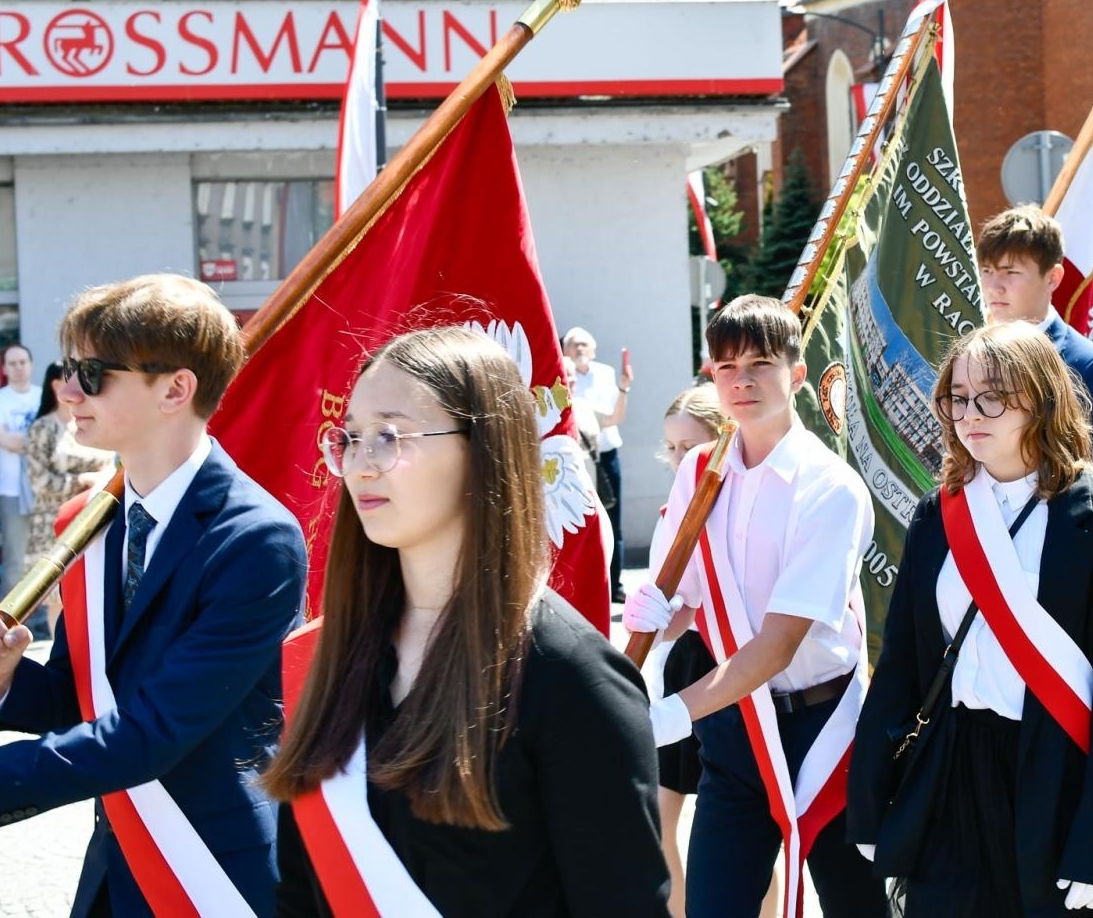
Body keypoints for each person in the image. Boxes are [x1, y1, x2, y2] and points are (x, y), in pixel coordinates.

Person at [266, 327, 666, 916]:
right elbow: (302, 892)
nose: (359, 465)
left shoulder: (573, 677)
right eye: (350, 438)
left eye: (389, 436)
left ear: (483, 450)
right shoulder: (333, 655)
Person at [0, 273, 307, 916]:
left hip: (210, 870)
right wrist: (4, 678)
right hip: (117, 864)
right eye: (69, 369)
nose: (69, 390)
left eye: (93, 373)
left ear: (175, 389)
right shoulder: (95, 523)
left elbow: (155, 729)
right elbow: (79, 697)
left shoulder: (256, 539)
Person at [848, 321, 1093, 916]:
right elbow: (901, 665)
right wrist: (871, 801)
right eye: (958, 397)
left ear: (1042, 400)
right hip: (950, 766)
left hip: (1057, 771)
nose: (970, 414)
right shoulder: (937, 514)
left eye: (992, 397)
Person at [624, 295, 885, 918]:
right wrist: (655, 613)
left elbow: (778, 644)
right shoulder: (699, 473)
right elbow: (685, 601)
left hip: (823, 730)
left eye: (760, 364)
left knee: (855, 906)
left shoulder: (831, 488)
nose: (741, 381)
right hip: (735, 725)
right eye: (726, 366)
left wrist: (672, 713)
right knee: (715, 905)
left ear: (797, 373)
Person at [649, 383, 782, 918]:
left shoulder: (755, 505)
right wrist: (651, 615)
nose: (680, 457)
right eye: (671, 447)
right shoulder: (674, 508)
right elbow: (673, 609)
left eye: (690, 445)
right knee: (661, 817)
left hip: (731, 667)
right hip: (684, 664)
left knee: (744, 825)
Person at [976, 206, 1093, 467]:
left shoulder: (1091, 367)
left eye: (1011, 272)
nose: (994, 287)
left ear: (1053, 278)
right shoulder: (967, 351)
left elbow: (1076, 472)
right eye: (987, 270)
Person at [22, 362, 114, 634]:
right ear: (55, 385)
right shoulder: (43, 427)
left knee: (93, 589)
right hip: (53, 521)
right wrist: (82, 480)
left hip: (95, 516)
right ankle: (59, 650)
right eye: (70, 377)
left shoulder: (91, 424)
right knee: (59, 595)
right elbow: (39, 481)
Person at [563, 326, 633, 602]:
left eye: (584, 344)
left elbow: (613, 417)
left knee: (611, 521)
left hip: (602, 457)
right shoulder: (560, 384)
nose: (579, 349)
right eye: (573, 344)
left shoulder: (604, 375)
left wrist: (624, 388)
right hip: (573, 466)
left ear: (593, 350)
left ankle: (613, 585)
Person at [0, 342, 40, 602]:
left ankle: (43, 617)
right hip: (12, 491)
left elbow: (61, 437)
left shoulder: (44, 396)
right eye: (12, 363)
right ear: (4, 369)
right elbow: (3, 439)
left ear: (31, 365)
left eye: (22, 362)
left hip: (46, 489)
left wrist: (21, 442)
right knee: (15, 559)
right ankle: (8, 617)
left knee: (45, 557)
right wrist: (38, 442)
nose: (18, 368)